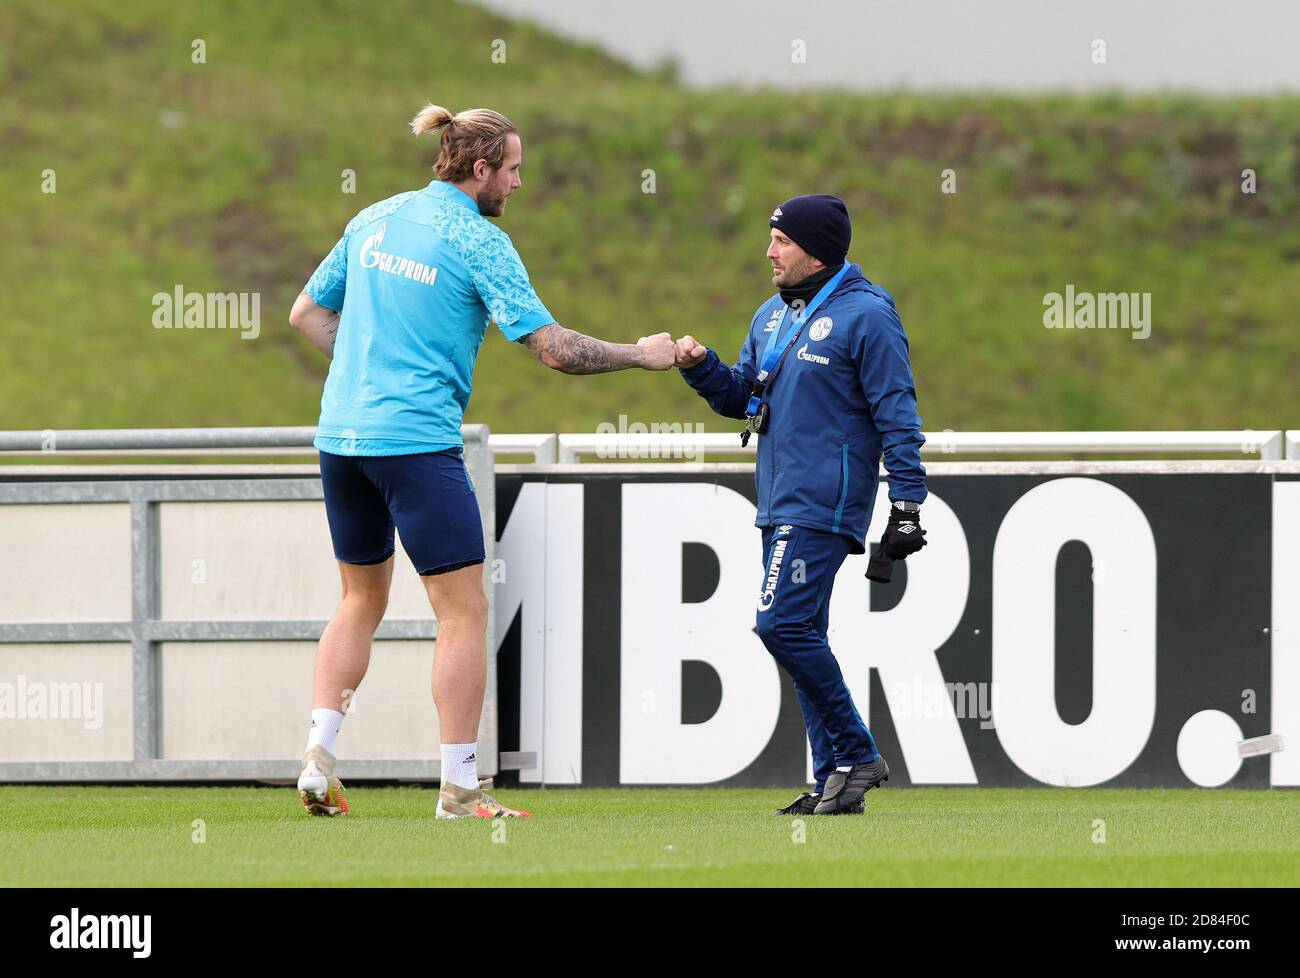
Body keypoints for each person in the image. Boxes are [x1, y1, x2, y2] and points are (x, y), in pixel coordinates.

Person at [288, 103, 675, 819]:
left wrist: (371, 369)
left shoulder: (372, 218)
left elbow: (305, 314)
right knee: (463, 611)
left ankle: (318, 754)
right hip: (416, 445)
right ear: (479, 168)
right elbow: (554, 349)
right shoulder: (478, 240)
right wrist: (640, 355)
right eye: (515, 170)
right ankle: (460, 789)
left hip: (340, 439)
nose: (519, 185)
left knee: (359, 600)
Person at [674, 194, 928, 815]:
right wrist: (702, 367)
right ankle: (833, 782)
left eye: (781, 241)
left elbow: (898, 412)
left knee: (779, 623)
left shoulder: (868, 316)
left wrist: (907, 502)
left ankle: (857, 752)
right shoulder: (772, 315)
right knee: (802, 630)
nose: (769, 251)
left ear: (816, 251)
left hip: (823, 502)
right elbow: (742, 397)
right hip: (778, 499)